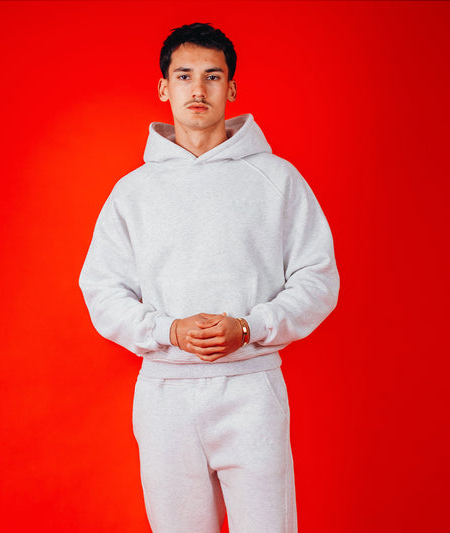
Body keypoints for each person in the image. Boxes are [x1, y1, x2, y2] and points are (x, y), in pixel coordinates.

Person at [79, 22, 339, 533]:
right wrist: (168, 330)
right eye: (184, 76)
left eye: (212, 76)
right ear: (164, 88)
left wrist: (250, 327)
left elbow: (318, 278)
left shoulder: (278, 179)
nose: (197, 89)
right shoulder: (133, 192)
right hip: (165, 393)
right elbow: (102, 289)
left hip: (251, 386)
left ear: (231, 88)